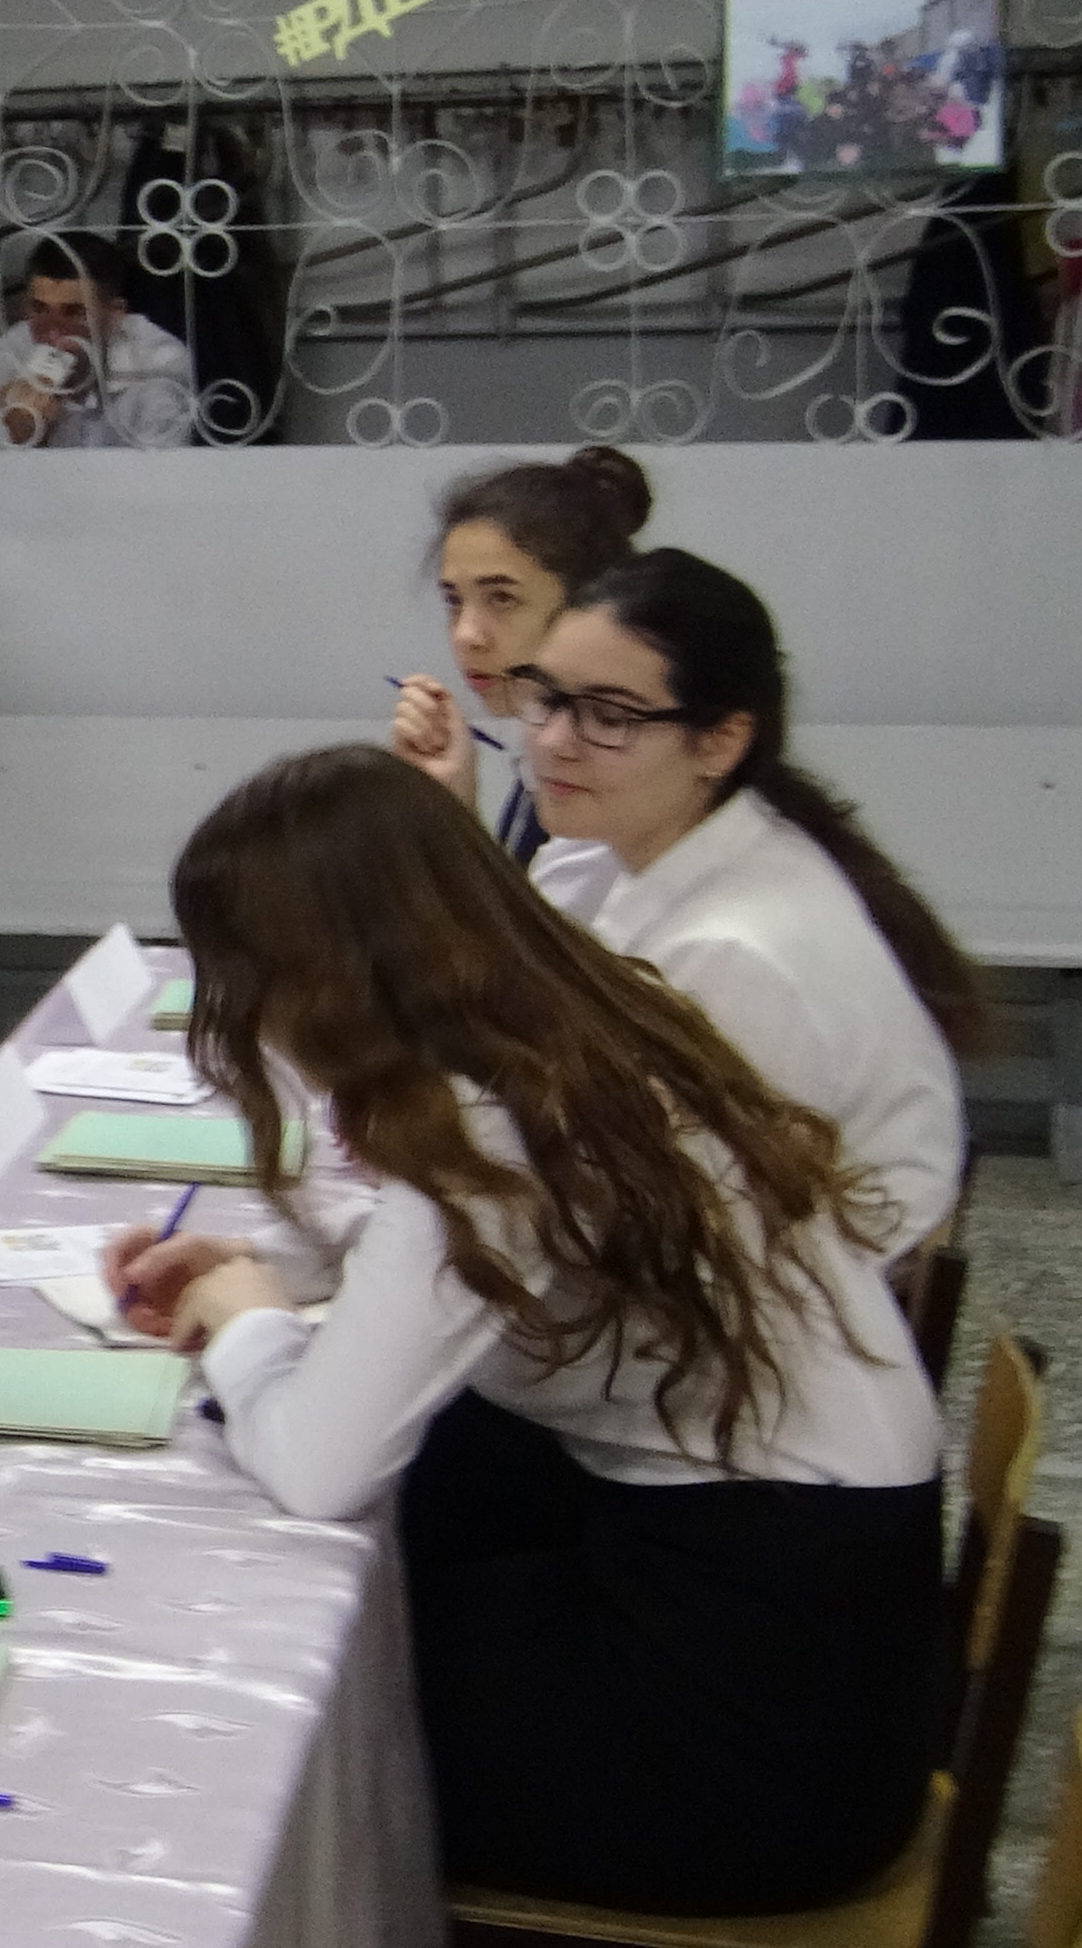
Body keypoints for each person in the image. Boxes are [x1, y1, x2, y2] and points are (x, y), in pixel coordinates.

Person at [108, 745, 945, 1914]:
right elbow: (492, 1258)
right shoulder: (566, 1015)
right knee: (385, 1600)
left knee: (277, 1713)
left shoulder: (485, 1124)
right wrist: (274, 1269)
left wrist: (249, 1321)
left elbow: (316, 1464)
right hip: (838, 1613)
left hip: (760, 1732)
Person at [507, 549, 987, 1256]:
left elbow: (664, 1230)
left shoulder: (732, 955)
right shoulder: (609, 850)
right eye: (546, 698)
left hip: (754, 1297)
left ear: (720, 743)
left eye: (609, 716)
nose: (553, 742)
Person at [392, 444, 654, 863]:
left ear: (586, 601)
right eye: (454, 601)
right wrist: (453, 806)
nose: (466, 636)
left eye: (502, 599)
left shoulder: (616, 784)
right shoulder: (543, 755)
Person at [0, 233, 197, 447]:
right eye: (39, 309)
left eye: (74, 312)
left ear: (116, 314)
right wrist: (20, 438)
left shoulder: (160, 361)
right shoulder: (1, 362)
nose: (53, 333)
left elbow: (162, 471)